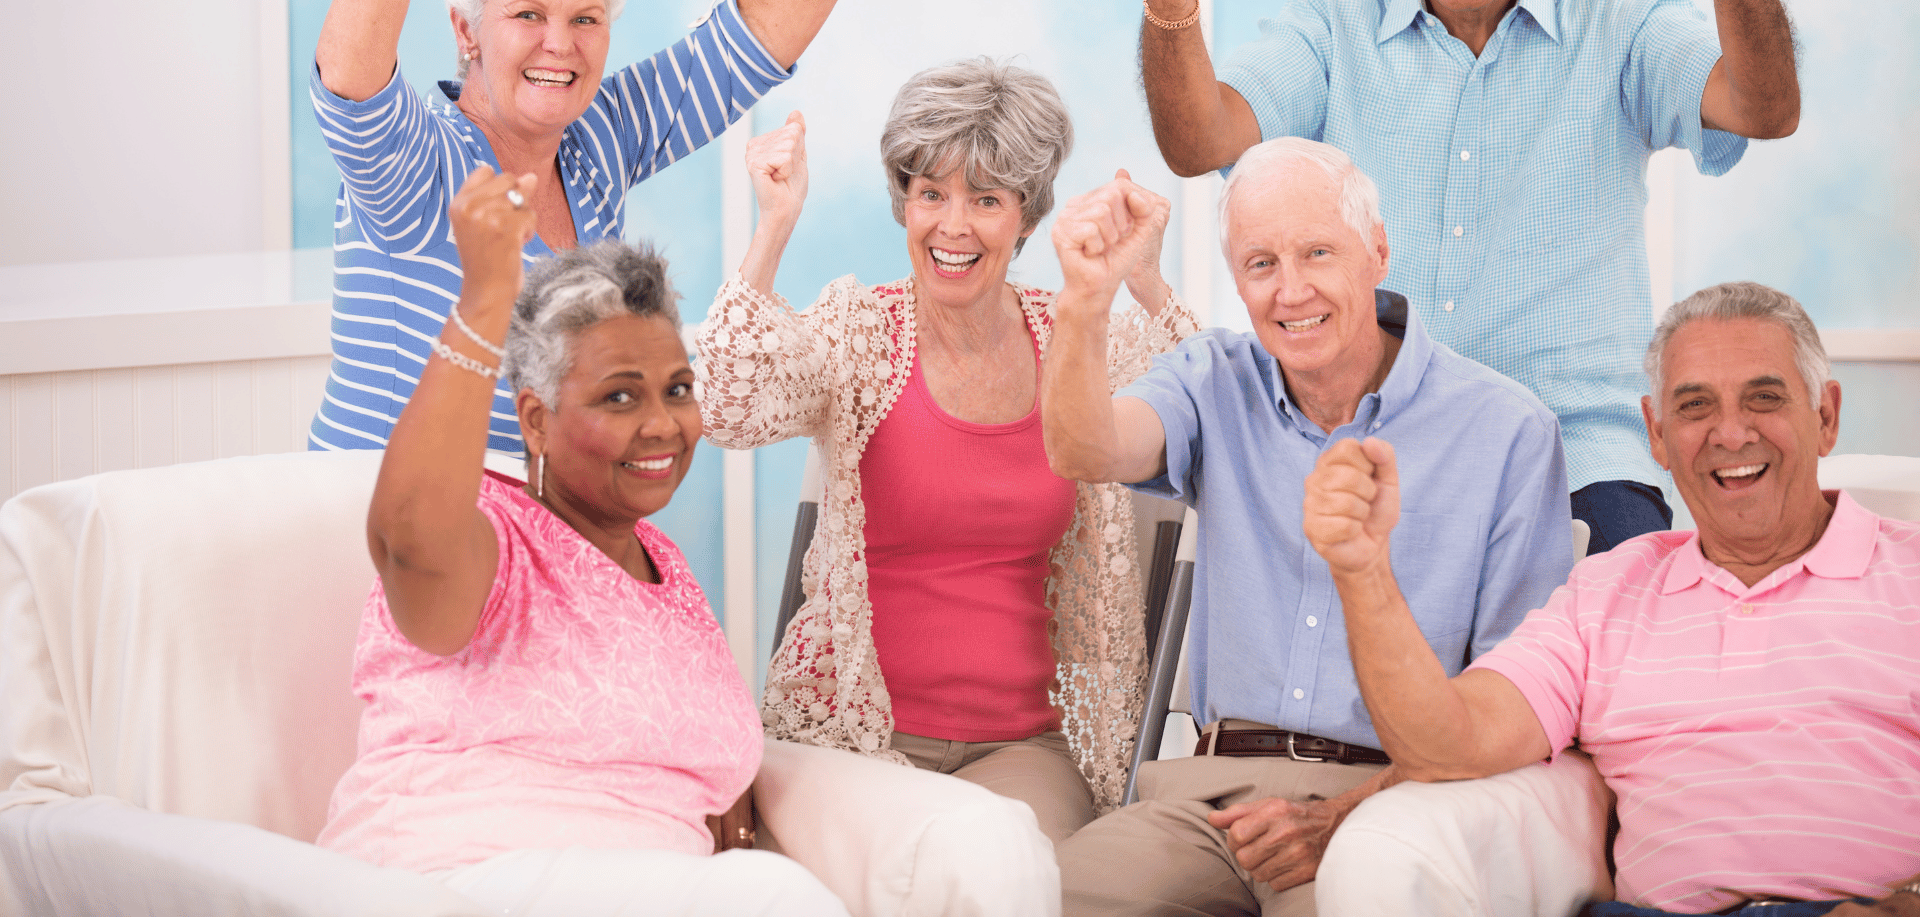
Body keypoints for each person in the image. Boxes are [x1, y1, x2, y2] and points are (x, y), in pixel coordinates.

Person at [1137, 0, 1801, 553]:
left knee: (1608, 657)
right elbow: (1199, 141)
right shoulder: (1329, 26)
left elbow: (1763, 109)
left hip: (1575, 458)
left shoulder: (1621, 26)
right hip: (1370, 449)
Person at [308, 0, 956, 454]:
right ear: (466, 30)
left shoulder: (593, 143)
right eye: (527, 15)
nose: (560, 45)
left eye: (585, 20)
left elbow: (751, 39)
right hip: (392, 536)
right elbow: (350, 76)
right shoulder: (421, 164)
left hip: (536, 528)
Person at [1042, 135, 1573, 915]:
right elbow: (1085, 447)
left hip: (1393, 807)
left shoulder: (1507, 432)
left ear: (1378, 253)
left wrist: (1347, 817)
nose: (1290, 292)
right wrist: (1085, 299)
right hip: (1204, 802)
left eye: (1317, 253)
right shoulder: (1211, 378)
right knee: (1032, 897)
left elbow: (1515, 710)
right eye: (1261, 265)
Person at [316, 164, 846, 916]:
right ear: (535, 421)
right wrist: (482, 302)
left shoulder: (665, 569)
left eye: (677, 389)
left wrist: (723, 781)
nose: (662, 424)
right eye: (619, 396)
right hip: (451, 876)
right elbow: (409, 544)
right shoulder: (497, 537)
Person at [697, 59, 1200, 841]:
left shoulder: (1071, 342)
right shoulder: (859, 330)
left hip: (1021, 749)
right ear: (905, 203)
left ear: (1027, 217)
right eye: (931, 194)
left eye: (986, 200)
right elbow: (726, 402)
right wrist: (774, 226)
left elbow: (1212, 414)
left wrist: (1144, 280)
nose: (952, 226)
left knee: (1005, 869)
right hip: (853, 737)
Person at [1303, 281, 1920, 916]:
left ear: (1826, 417)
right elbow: (1447, 743)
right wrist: (1363, 571)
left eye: (1764, 398)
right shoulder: (1609, 592)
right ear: (1655, 434)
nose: (1731, 434)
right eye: (1695, 406)